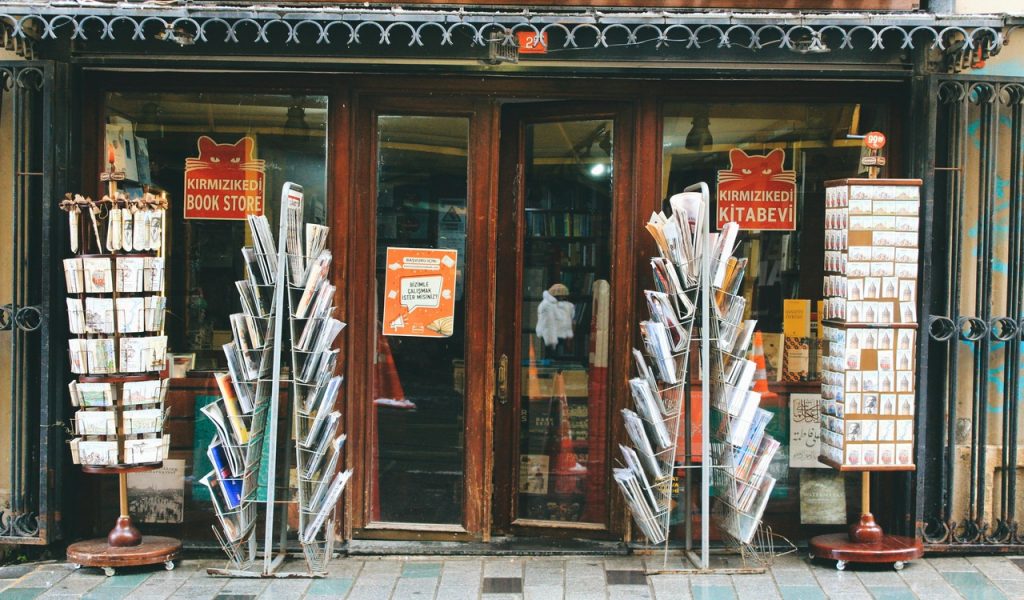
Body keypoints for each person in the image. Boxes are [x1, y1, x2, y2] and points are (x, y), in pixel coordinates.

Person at [536, 283, 574, 349]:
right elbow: (548, 325)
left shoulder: (557, 305)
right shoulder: (547, 305)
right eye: (562, 296)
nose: (563, 299)